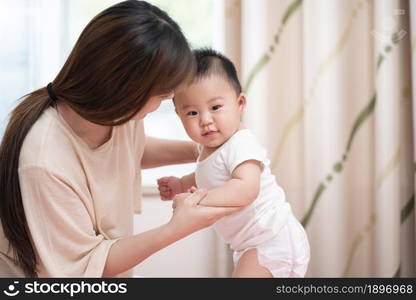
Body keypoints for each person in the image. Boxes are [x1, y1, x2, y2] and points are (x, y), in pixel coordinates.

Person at [0, 1, 241, 278]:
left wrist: (208, 148)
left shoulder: (115, 114)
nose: (166, 101)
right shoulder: (44, 161)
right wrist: (177, 228)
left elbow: (129, 151)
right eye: (163, 96)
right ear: (123, 89)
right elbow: (84, 266)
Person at [158, 48, 310, 277]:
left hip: (273, 239)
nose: (205, 120)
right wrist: (180, 184)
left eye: (215, 107)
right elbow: (208, 178)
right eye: (192, 113)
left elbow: (246, 189)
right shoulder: (208, 151)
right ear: (179, 115)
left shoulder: (241, 143)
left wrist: (196, 199)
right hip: (252, 244)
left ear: (239, 103)